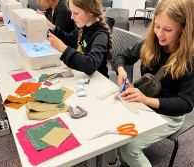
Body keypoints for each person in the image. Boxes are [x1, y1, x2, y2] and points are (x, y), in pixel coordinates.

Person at [109, 0, 194, 166]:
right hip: (144, 103)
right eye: (156, 26)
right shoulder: (150, 43)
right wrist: (121, 70)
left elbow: (185, 104)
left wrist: (145, 100)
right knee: (111, 121)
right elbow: (121, 57)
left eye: (167, 30)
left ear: (183, 27)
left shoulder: (189, 60)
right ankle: (112, 162)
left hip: (168, 114)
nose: (159, 34)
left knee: (129, 149)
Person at [47, 0, 112, 78]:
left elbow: (90, 65)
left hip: (99, 80)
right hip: (86, 77)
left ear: (91, 11)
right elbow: (70, 40)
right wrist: (52, 27)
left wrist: (63, 49)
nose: (72, 17)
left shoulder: (100, 36)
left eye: (76, 13)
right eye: (71, 12)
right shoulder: (83, 27)